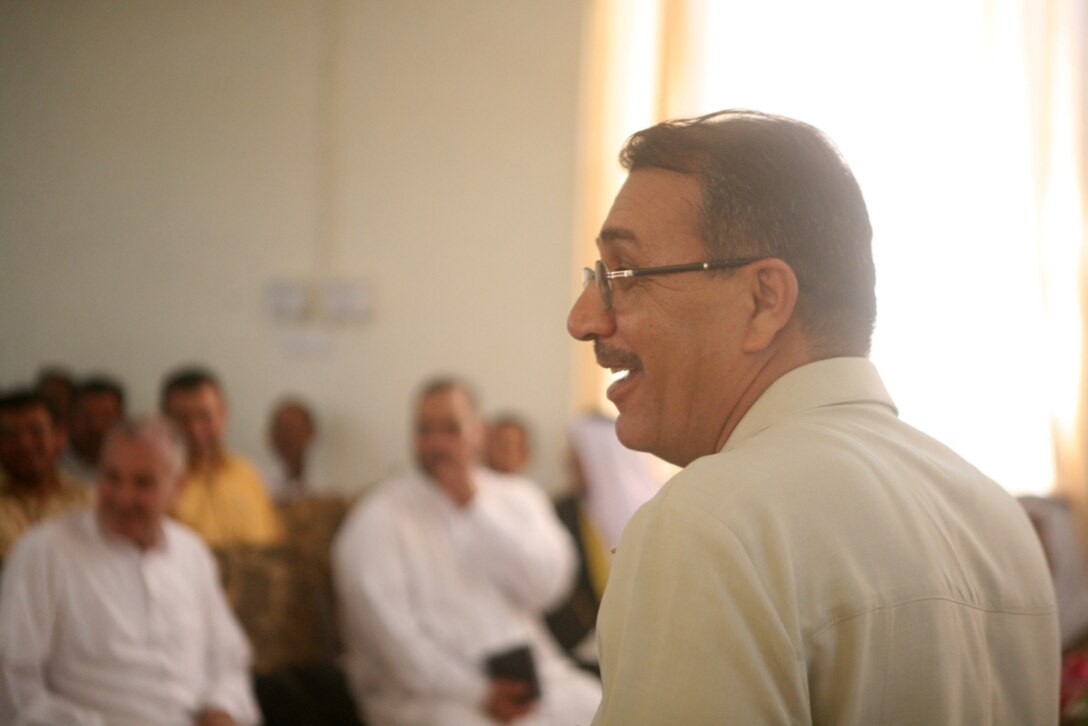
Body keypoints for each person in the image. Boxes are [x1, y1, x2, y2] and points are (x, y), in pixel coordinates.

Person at [566, 109, 1060, 724]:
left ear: (764, 299)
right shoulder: (995, 517)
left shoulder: (710, 525)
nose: (583, 318)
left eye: (623, 275)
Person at [333, 377, 600, 726]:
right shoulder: (379, 518)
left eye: (451, 429)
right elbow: (390, 638)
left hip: (535, 681)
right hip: (428, 697)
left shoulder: (517, 497)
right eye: (425, 430)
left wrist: (475, 509)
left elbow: (548, 587)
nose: (436, 444)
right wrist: (477, 692)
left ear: (479, 431)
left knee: (602, 708)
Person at [0, 417, 260, 725]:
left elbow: (229, 659)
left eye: (143, 483)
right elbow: (13, 684)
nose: (123, 497)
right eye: (112, 477)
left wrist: (221, 710)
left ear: (178, 487)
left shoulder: (192, 553)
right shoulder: (44, 553)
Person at [160, 366, 281, 547]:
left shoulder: (246, 473)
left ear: (223, 414)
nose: (195, 430)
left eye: (205, 416)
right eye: (182, 419)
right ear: (164, 420)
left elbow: (273, 541)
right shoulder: (154, 482)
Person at [0, 389, 93, 561]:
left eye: (36, 431)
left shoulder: (90, 500)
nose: (24, 444)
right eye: (11, 434)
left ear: (60, 436)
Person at [59, 375, 127, 483]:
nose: (95, 425)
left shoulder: (135, 465)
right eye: (86, 415)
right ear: (70, 416)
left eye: (106, 416)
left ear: (122, 419)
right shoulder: (53, 467)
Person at [262, 396, 326, 501]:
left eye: (294, 429)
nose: (288, 436)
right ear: (272, 435)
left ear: (310, 432)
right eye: (283, 428)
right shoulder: (256, 480)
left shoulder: (324, 483)